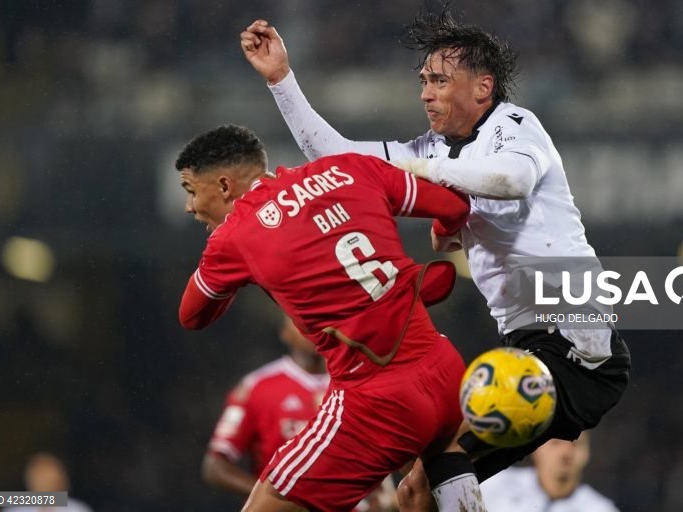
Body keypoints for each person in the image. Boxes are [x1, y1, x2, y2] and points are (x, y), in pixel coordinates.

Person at [241, 5, 631, 510]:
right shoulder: (433, 148)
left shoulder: (514, 125)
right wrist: (281, 80)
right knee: (419, 488)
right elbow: (335, 156)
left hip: (576, 339)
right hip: (528, 342)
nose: (426, 92)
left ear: (482, 88)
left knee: (424, 485)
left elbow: (513, 181)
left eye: (440, 81)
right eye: (423, 80)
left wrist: (417, 171)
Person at [176, 124, 478, 511]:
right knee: (416, 493)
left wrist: (235, 277)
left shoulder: (234, 236)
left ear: (223, 186)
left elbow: (191, 316)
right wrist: (442, 234)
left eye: (190, 190)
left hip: (376, 400)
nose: (189, 206)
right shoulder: (348, 168)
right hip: (444, 370)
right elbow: (453, 206)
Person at [203, 315, 329, 497]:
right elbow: (215, 466)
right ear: (285, 333)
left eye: (318, 320)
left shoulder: (356, 383)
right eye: (301, 321)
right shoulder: (256, 387)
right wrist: (273, 498)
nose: (313, 329)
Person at [479, 431, 620, 512]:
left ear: (587, 453)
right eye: (556, 443)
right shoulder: (492, 486)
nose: (566, 453)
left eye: (576, 444)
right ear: (536, 449)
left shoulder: (600, 509)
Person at [2, 452, 93, 512]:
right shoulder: (14, 509)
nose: (41, 481)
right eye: (36, 475)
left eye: (45, 475)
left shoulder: (76, 509)